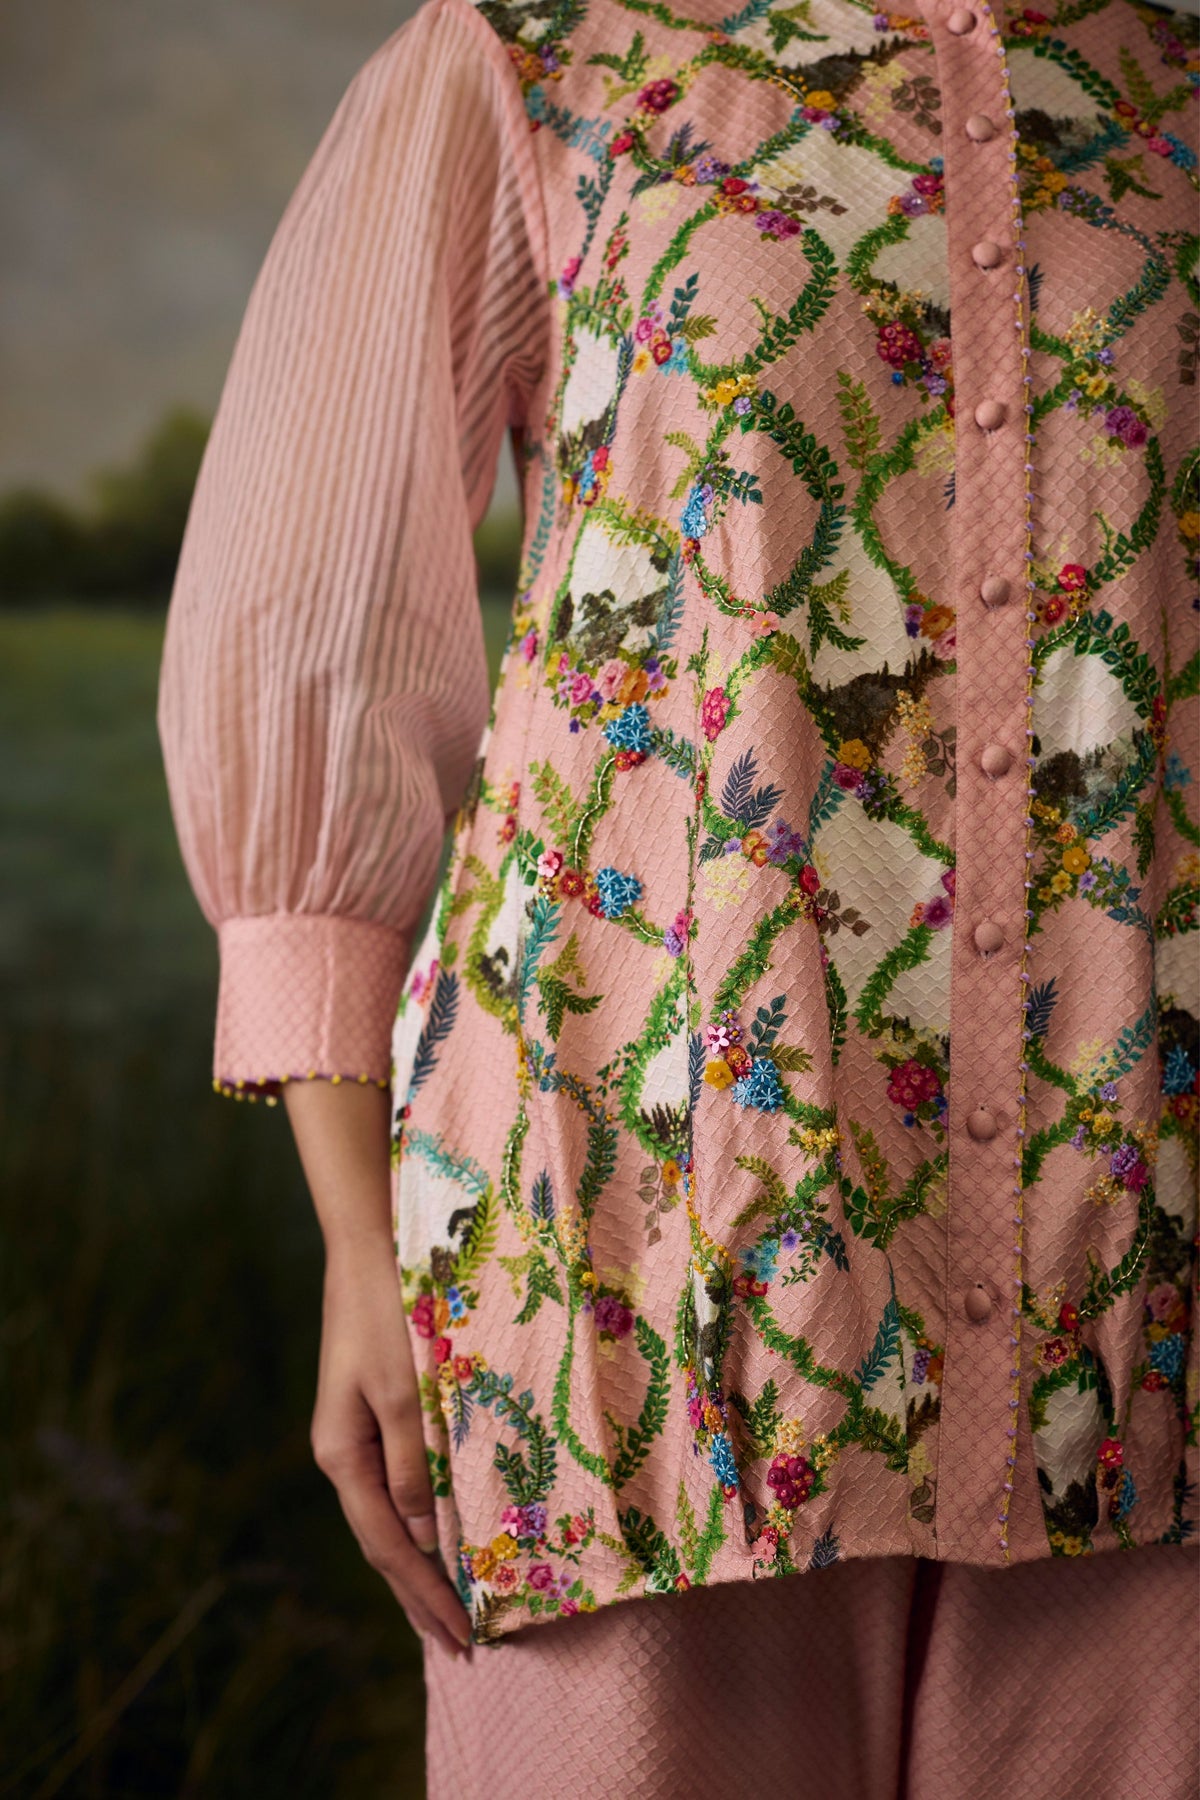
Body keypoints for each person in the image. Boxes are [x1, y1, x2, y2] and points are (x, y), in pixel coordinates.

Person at [158, 0, 1200, 1792]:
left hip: (1140, 1288)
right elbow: (308, 627)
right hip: (642, 1282)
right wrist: (357, 1242)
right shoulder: (534, 62)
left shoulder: (1171, 98)